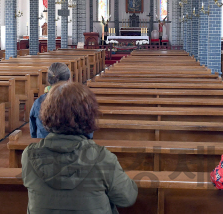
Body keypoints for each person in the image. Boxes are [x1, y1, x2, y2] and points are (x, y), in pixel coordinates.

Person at [22, 82, 138, 214]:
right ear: (88, 116)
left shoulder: (29, 155)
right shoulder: (102, 158)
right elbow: (127, 198)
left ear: (47, 113)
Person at [30, 62, 72, 139]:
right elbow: (88, 133)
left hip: (44, 146)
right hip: (75, 148)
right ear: (69, 80)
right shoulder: (79, 101)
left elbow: (33, 131)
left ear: (49, 81)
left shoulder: (38, 102)